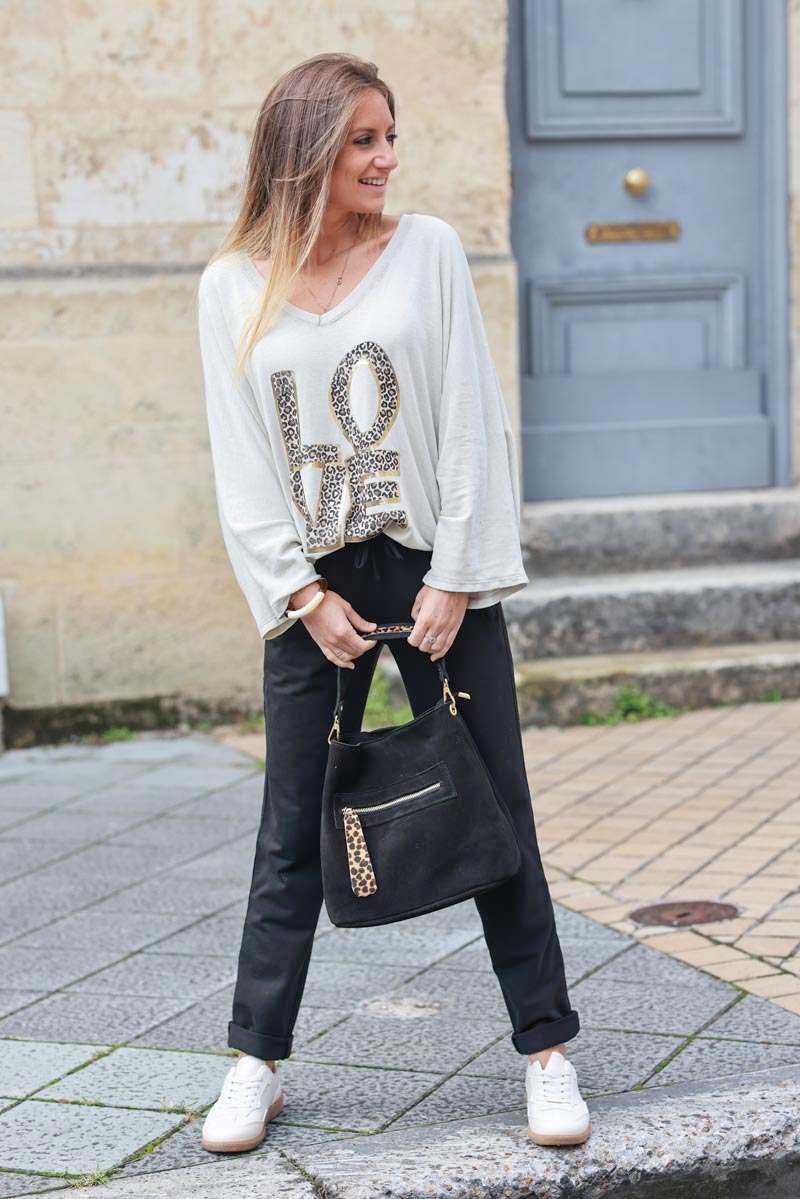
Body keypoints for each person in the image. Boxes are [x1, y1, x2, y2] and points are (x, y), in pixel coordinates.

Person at [196, 51, 590, 1153]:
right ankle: (254, 1060)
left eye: (388, 135)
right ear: (307, 151)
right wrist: (296, 589)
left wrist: (458, 574)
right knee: (288, 830)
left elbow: (468, 415)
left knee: (495, 808)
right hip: (312, 583)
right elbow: (239, 462)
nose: (386, 158)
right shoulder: (231, 283)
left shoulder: (426, 252)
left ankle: (545, 1050)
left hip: (433, 568)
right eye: (362, 140)